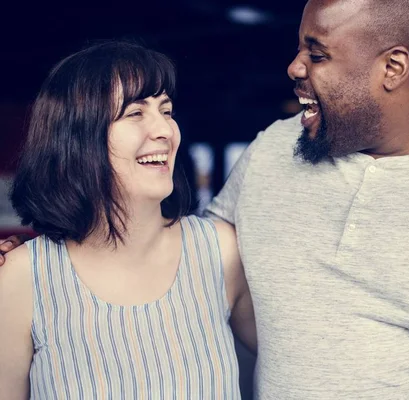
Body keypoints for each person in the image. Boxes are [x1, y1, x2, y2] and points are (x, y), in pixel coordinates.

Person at [1, 0, 409, 399]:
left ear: (393, 68)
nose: (294, 67)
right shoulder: (274, 153)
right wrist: (31, 254)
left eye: (318, 53)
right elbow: (162, 249)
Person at [0, 41, 255, 399]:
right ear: (77, 138)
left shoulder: (220, 251)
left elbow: (306, 358)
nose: (165, 131)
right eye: (135, 113)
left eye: (166, 111)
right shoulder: (23, 278)